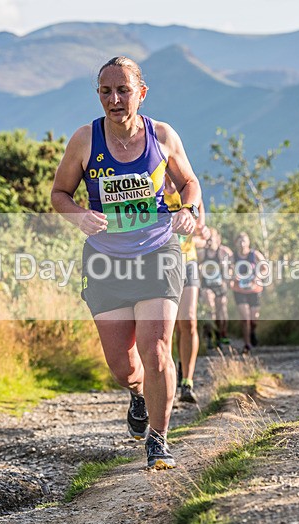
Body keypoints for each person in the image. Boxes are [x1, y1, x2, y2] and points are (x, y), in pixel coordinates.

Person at [51, 56, 202, 469]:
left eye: (123, 90)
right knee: (123, 366)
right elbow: (59, 194)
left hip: (158, 252)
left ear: (141, 93)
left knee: (156, 353)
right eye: (106, 91)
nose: (115, 99)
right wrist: (79, 215)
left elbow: (190, 182)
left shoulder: (163, 135)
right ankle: (138, 394)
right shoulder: (85, 140)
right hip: (107, 262)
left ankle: (159, 439)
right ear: (98, 95)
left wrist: (187, 208)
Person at [164, 180, 210, 404]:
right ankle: (167, 376)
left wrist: (204, 231)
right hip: (162, 262)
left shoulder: (191, 192)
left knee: (188, 321)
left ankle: (187, 382)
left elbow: (202, 232)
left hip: (188, 261)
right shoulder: (152, 188)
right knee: (166, 325)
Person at [198, 227, 234, 349]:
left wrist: (229, 274)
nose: (209, 242)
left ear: (218, 239)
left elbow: (233, 265)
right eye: (207, 240)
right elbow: (193, 265)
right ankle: (209, 336)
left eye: (211, 240)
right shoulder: (203, 253)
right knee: (210, 309)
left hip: (220, 285)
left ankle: (221, 334)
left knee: (222, 310)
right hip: (207, 285)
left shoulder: (224, 252)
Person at [231, 232, 265, 354]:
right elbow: (227, 270)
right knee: (245, 318)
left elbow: (265, 268)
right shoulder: (233, 256)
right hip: (239, 290)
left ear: (248, 242)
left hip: (254, 289)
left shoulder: (254, 255)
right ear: (236, 243)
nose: (242, 243)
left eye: (244, 240)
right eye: (239, 241)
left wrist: (258, 276)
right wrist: (233, 277)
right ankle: (247, 344)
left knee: (253, 319)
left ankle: (252, 331)